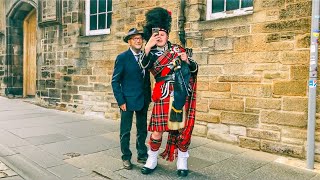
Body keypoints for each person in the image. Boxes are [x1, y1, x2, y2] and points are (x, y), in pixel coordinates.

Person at [139, 7, 198, 177]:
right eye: (156, 33)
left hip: (179, 93)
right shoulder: (149, 53)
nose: (160, 36)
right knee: (157, 130)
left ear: (167, 34)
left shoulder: (178, 49)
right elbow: (143, 67)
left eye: (162, 33)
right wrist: (147, 47)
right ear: (152, 35)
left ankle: (182, 161)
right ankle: (152, 159)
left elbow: (193, 69)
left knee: (180, 130)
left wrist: (188, 60)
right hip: (162, 94)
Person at [111, 28, 151, 170]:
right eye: (135, 39)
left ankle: (142, 154)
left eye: (140, 38)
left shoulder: (146, 56)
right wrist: (120, 101)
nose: (138, 41)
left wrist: (149, 97)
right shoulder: (122, 58)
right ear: (129, 42)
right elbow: (115, 81)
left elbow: (147, 79)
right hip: (126, 101)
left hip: (143, 99)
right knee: (125, 131)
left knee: (142, 130)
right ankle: (126, 157)